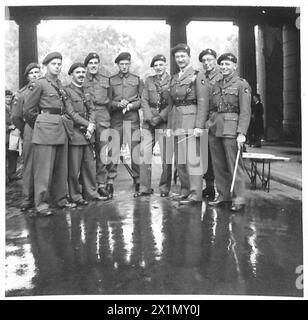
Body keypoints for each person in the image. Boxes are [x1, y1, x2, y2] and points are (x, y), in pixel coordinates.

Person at [23, 52, 78, 216]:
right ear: (46, 66)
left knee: (61, 168)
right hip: (45, 129)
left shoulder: (60, 84)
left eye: (59, 64)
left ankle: (61, 199)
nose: (57, 66)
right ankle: (41, 204)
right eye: (54, 63)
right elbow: (28, 111)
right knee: (44, 169)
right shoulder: (39, 83)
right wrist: (40, 124)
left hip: (61, 127)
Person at [205, 53, 251, 212]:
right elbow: (212, 107)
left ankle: (239, 198)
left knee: (234, 164)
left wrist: (242, 132)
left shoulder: (241, 84)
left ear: (234, 66)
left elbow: (245, 111)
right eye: (222, 64)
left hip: (232, 129)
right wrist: (208, 123)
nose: (224, 67)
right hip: (215, 128)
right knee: (218, 165)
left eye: (227, 64)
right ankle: (223, 195)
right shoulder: (216, 84)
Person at [166, 43, 208, 205]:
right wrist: (170, 126)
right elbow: (172, 105)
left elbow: (203, 102)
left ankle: (195, 193)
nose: (180, 59)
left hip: (191, 121)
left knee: (192, 159)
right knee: (181, 160)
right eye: (177, 57)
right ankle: (185, 190)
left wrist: (199, 125)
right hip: (177, 121)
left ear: (189, 57)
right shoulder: (175, 77)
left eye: (183, 56)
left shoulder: (198, 75)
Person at [65, 62, 106, 205]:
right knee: (74, 169)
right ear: (71, 75)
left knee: (89, 167)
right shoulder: (67, 91)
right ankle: (75, 197)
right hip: (75, 134)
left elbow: (92, 109)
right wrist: (88, 124)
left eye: (83, 72)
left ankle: (91, 194)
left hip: (88, 135)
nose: (81, 75)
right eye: (78, 72)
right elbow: (70, 112)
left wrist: (91, 126)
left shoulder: (86, 91)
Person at [136, 54, 172, 197]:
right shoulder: (148, 81)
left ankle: (164, 188)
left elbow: (172, 103)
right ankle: (144, 188)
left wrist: (160, 117)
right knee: (144, 154)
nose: (158, 67)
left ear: (165, 65)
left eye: (160, 64)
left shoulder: (172, 80)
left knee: (166, 157)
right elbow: (144, 100)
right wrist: (150, 118)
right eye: (155, 65)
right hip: (148, 122)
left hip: (164, 122)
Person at [108, 52, 143, 197]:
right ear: (117, 65)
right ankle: (109, 182)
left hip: (132, 118)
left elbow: (142, 100)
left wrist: (130, 105)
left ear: (130, 64)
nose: (124, 66)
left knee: (135, 150)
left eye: (126, 64)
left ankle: (138, 180)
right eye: (121, 64)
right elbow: (107, 101)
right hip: (116, 119)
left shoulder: (137, 80)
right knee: (113, 150)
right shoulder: (111, 80)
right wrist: (117, 104)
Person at [11, 63, 41, 211]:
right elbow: (16, 116)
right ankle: (28, 198)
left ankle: (45, 197)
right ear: (27, 76)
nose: (35, 75)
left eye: (37, 72)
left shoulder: (45, 89)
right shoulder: (21, 94)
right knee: (29, 165)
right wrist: (25, 130)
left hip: (46, 130)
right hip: (30, 130)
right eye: (32, 73)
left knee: (45, 164)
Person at [83, 52, 112, 199]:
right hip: (87, 116)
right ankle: (87, 185)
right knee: (87, 153)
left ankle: (101, 184)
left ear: (98, 64)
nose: (93, 65)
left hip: (102, 115)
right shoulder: (81, 78)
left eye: (95, 63)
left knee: (102, 152)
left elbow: (111, 99)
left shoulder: (106, 79)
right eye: (90, 63)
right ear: (86, 66)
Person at [197, 48, 223, 201]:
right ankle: (209, 186)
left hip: (217, 118)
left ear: (215, 60)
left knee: (218, 156)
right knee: (205, 155)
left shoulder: (221, 77)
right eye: (204, 61)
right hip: (204, 120)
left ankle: (222, 191)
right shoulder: (201, 77)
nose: (207, 63)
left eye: (209, 60)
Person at [5, 89, 19, 182]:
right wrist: (8, 127)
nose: (9, 99)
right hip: (5, 135)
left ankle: (12, 174)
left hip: (13, 136)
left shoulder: (12, 107)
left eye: (10, 97)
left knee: (13, 154)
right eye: (6, 97)